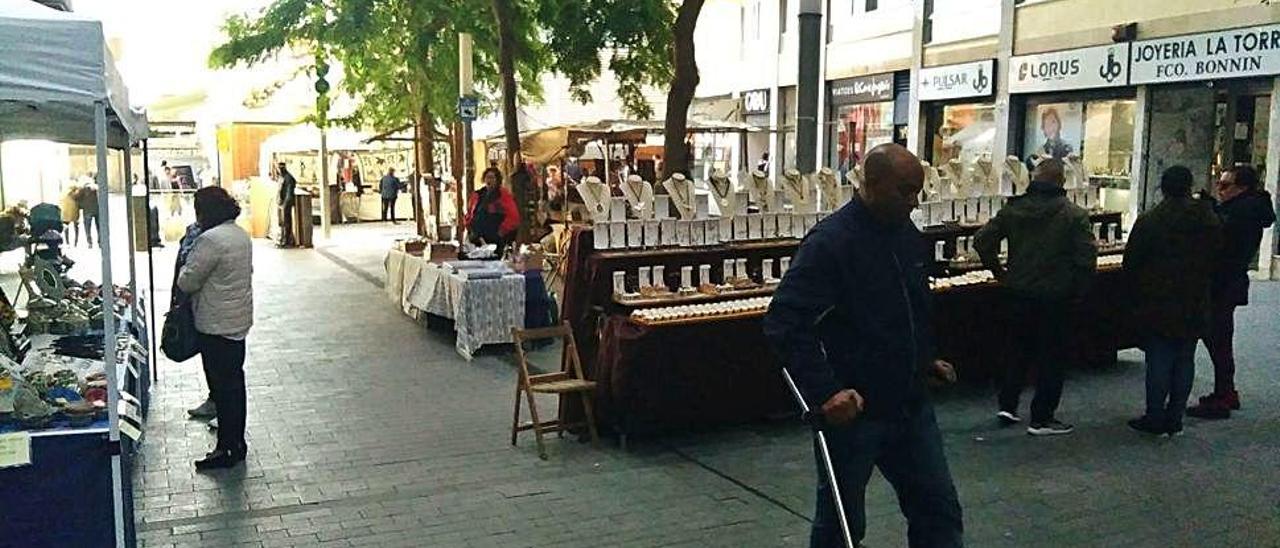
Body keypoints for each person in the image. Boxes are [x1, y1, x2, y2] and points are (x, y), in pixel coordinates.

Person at [764, 144, 964, 548]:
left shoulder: (907, 235)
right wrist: (825, 392)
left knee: (938, 510)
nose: (912, 202)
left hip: (910, 405)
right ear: (870, 185)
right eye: (903, 191)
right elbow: (784, 322)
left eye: (917, 192)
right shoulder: (831, 242)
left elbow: (910, 307)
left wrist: (925, 359)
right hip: (856, 413)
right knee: (841, 525)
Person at [974, 158, 1096, 436]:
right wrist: (1080, 291)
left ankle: (1008, 404)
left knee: (1016, 350)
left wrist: (998, 271)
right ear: (1062, 182)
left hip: (1017, 291)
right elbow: (1086, 259)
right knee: (1052, 357)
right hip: (1056, 296)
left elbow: (982, 240)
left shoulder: (1014, 209)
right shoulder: (1073, 215)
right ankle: (1042, 417)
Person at [1123, 166, 1221, 435]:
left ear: (1163, 187)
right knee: (1185, 357)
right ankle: (1175, 415)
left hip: (1159, 299)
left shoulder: (1151, 221)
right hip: (1194, 296)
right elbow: (1218, 257)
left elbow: (1132, 263)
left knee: (1159, 359)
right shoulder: (1208, 219)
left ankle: (1155, 415)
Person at [1188, 165, 1276, 419]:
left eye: (1226, 186)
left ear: (1243, 188)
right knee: (1219, 338)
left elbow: (1222, 240)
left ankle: (1224, 394)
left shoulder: (1242, 213)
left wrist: (1209, 210)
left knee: (1217, 338)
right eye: (1219, 183)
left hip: (1222, 282)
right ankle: (1225, 391)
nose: (1220, 189)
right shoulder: (1248, 208)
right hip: (1228, 281)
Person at [178, 187, 254, 470]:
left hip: (215, 323)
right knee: (235, 385)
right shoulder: (239, 234)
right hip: (237, 321)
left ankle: (225, 449)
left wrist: (184, 264)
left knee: (223, 388)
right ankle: (237, 443)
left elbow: (188, 281)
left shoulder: (210, 240)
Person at [465, 167, 521, 257]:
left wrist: (501, 231)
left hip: (496, 237)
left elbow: (513, 217)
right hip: (477, 237)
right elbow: (470, 213)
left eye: (492, 177)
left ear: (497, 180)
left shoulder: (503, 195)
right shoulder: (477, 195)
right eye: (487, 177)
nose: (489, 180)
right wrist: (469, 226)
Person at [277, 162, 297, 247]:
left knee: (286, 222)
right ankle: (284, 239)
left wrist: (285, 203)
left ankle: (287, 240)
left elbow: (289, 192)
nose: (280, 170)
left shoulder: (288, 178)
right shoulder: (283, 177)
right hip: (282, 203)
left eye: (281, 168)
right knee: (282, 222)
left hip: (286, 203)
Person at [76, 181, 100, 248]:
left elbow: (77, 198)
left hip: (87, 211)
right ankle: (100, 242)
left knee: (87, 228)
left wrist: (81, 206)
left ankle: (90, 243)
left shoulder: (82, 190)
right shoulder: (95, 189)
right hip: (96, 210)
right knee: (99, 227)